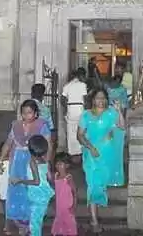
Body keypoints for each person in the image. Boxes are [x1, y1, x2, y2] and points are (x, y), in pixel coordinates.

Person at [0, 100, 51, 235]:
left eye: (29, 113)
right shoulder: (16, 126)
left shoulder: (42, 125)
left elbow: (48, 145)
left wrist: (47, 164)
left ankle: (31, 223)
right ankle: (21, 224)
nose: (26, 115)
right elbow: (8, 143)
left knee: (31, 191)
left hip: (33, 161)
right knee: (16, 191)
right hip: (17, 162)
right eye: (23, 113)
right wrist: (0, 160)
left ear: (36, 113)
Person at [77, 88, 125, 233]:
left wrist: (119, 111)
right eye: (98, 98)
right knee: (93, 184)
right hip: (91, 155)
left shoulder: (111, 113)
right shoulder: (86, 115)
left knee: (100, 184)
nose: (101, 101)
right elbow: (80, 135)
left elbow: (121, 127)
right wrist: (91, 148)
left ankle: (95, 216)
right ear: (92, 100)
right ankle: (94, 220)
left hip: (106, 156)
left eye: (103, 98)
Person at [10, 134, 54, 236]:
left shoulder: (32, 162)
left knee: (34, 225)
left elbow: (36, 182)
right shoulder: (45, 161)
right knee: (36, 221)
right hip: (44, 195)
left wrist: (20, 181)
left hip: (36, 196)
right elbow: (50, 178)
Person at [61, 69, 88, 163]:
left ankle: (72, 153)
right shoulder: (83, 85)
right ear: (79, 76)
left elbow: (62, 99)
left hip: (71, 109)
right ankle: (81, 153)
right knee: (81, 132)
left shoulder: (67, 85)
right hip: (80, 109)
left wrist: (66, 108)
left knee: (71, 133)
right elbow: (85, 98)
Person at [51, 152, 78, 236]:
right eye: (56, 163)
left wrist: (74, 205)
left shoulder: (68, 178)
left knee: (69, 222)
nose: (58, 166)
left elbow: (74, 191)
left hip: (67, 205)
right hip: (59, 205)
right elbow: (56, 191)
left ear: (67, 165)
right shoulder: (56, 176)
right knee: (59, 221)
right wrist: (54, 201)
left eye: (60, 164)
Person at [0, 141, 10, 233]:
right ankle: (7, 225)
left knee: (8, 210)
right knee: (7, 210)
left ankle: (8, 226)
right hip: (5, 190)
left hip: (7, 190)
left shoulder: (12, 162)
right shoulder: (0, 164)